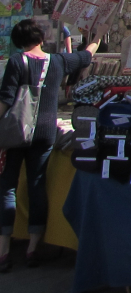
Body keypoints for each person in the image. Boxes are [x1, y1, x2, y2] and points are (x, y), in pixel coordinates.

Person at [0, 19, 101, 272]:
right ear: (41, 38)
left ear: (17, 41)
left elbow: (5, 100)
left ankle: (3, 250)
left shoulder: (16, 62)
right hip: (46, 132)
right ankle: (34, 247)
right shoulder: (57, 61)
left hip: (15, 132)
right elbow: (86, 56)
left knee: (7, 188)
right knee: (37, 185)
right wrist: (98, 35)